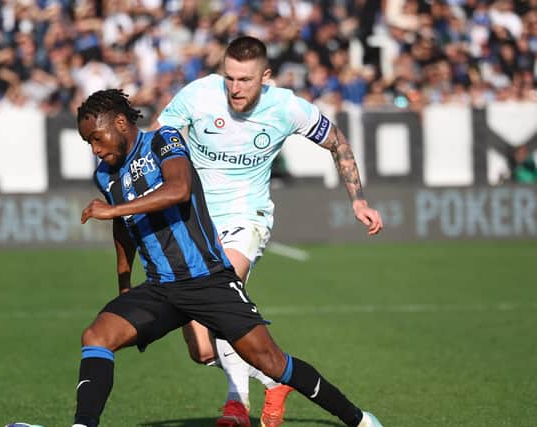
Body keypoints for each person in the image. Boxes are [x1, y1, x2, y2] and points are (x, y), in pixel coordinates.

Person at [65, 89, 383, 427]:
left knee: (271, 362)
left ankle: (358, 419)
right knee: (97, 336)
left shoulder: (164, 141)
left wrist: (113, 209)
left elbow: (179, 189)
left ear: (119, 122)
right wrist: (125, 284)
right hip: (160, 288)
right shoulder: (106, 174)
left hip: (207, 280)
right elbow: (123, 228)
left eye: (97, 138)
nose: (96, 149)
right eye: (89, 143)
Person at [156, 35, 384, 427]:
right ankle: (272, 379)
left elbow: (338, 143)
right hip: (195, 222)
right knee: (201, 348)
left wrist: (358, 200)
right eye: (229, 77)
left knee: (217, 298)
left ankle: (236, 406)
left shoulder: (287, 107)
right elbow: (158, 136)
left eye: (245, 80)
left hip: (247, 218)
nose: (235, 88)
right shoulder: (198, 95)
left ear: (266, 76)